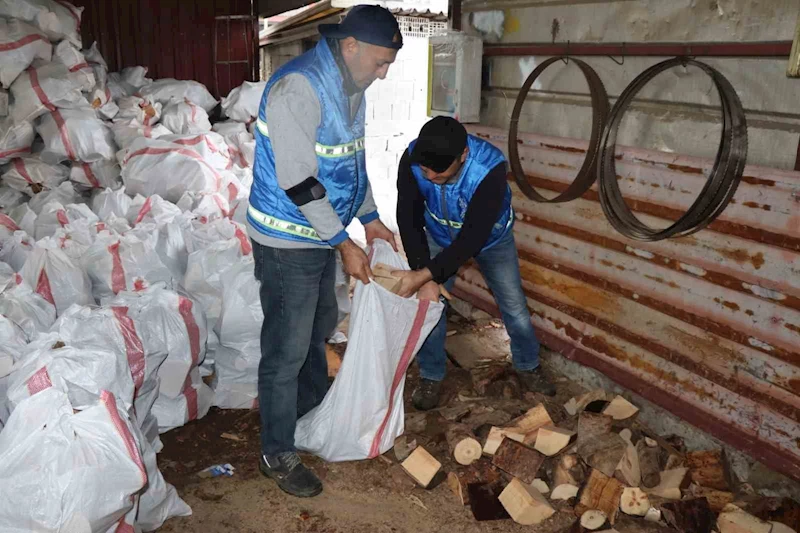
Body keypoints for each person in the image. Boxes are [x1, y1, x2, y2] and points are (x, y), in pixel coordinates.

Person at [248, 5, 401, 498]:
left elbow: (351, 164)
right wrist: (343, 243)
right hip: (286, 236)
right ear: (349, 45)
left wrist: (372, 218)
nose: (383, 74)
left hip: (319, 232)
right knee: (286, 348)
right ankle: (277, 450)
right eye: (379, 62)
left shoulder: (352, 88)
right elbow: (299, 179)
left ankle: (307, 411)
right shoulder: (299, 88)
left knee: (318, 329)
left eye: (388, 66)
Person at [394, 116, 556, 411]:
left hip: (491, 240)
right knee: (430, 304)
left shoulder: (489, 169)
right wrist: (424, 275)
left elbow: (471, 239)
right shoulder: (412, 160)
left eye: (439, 172)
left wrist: (427, 275)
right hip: (438, 234)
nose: (430, 178)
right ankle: (431, 374)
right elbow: (408, 216)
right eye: (426, 170)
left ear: (463, 156)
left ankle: (528, 364)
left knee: (514, 306)